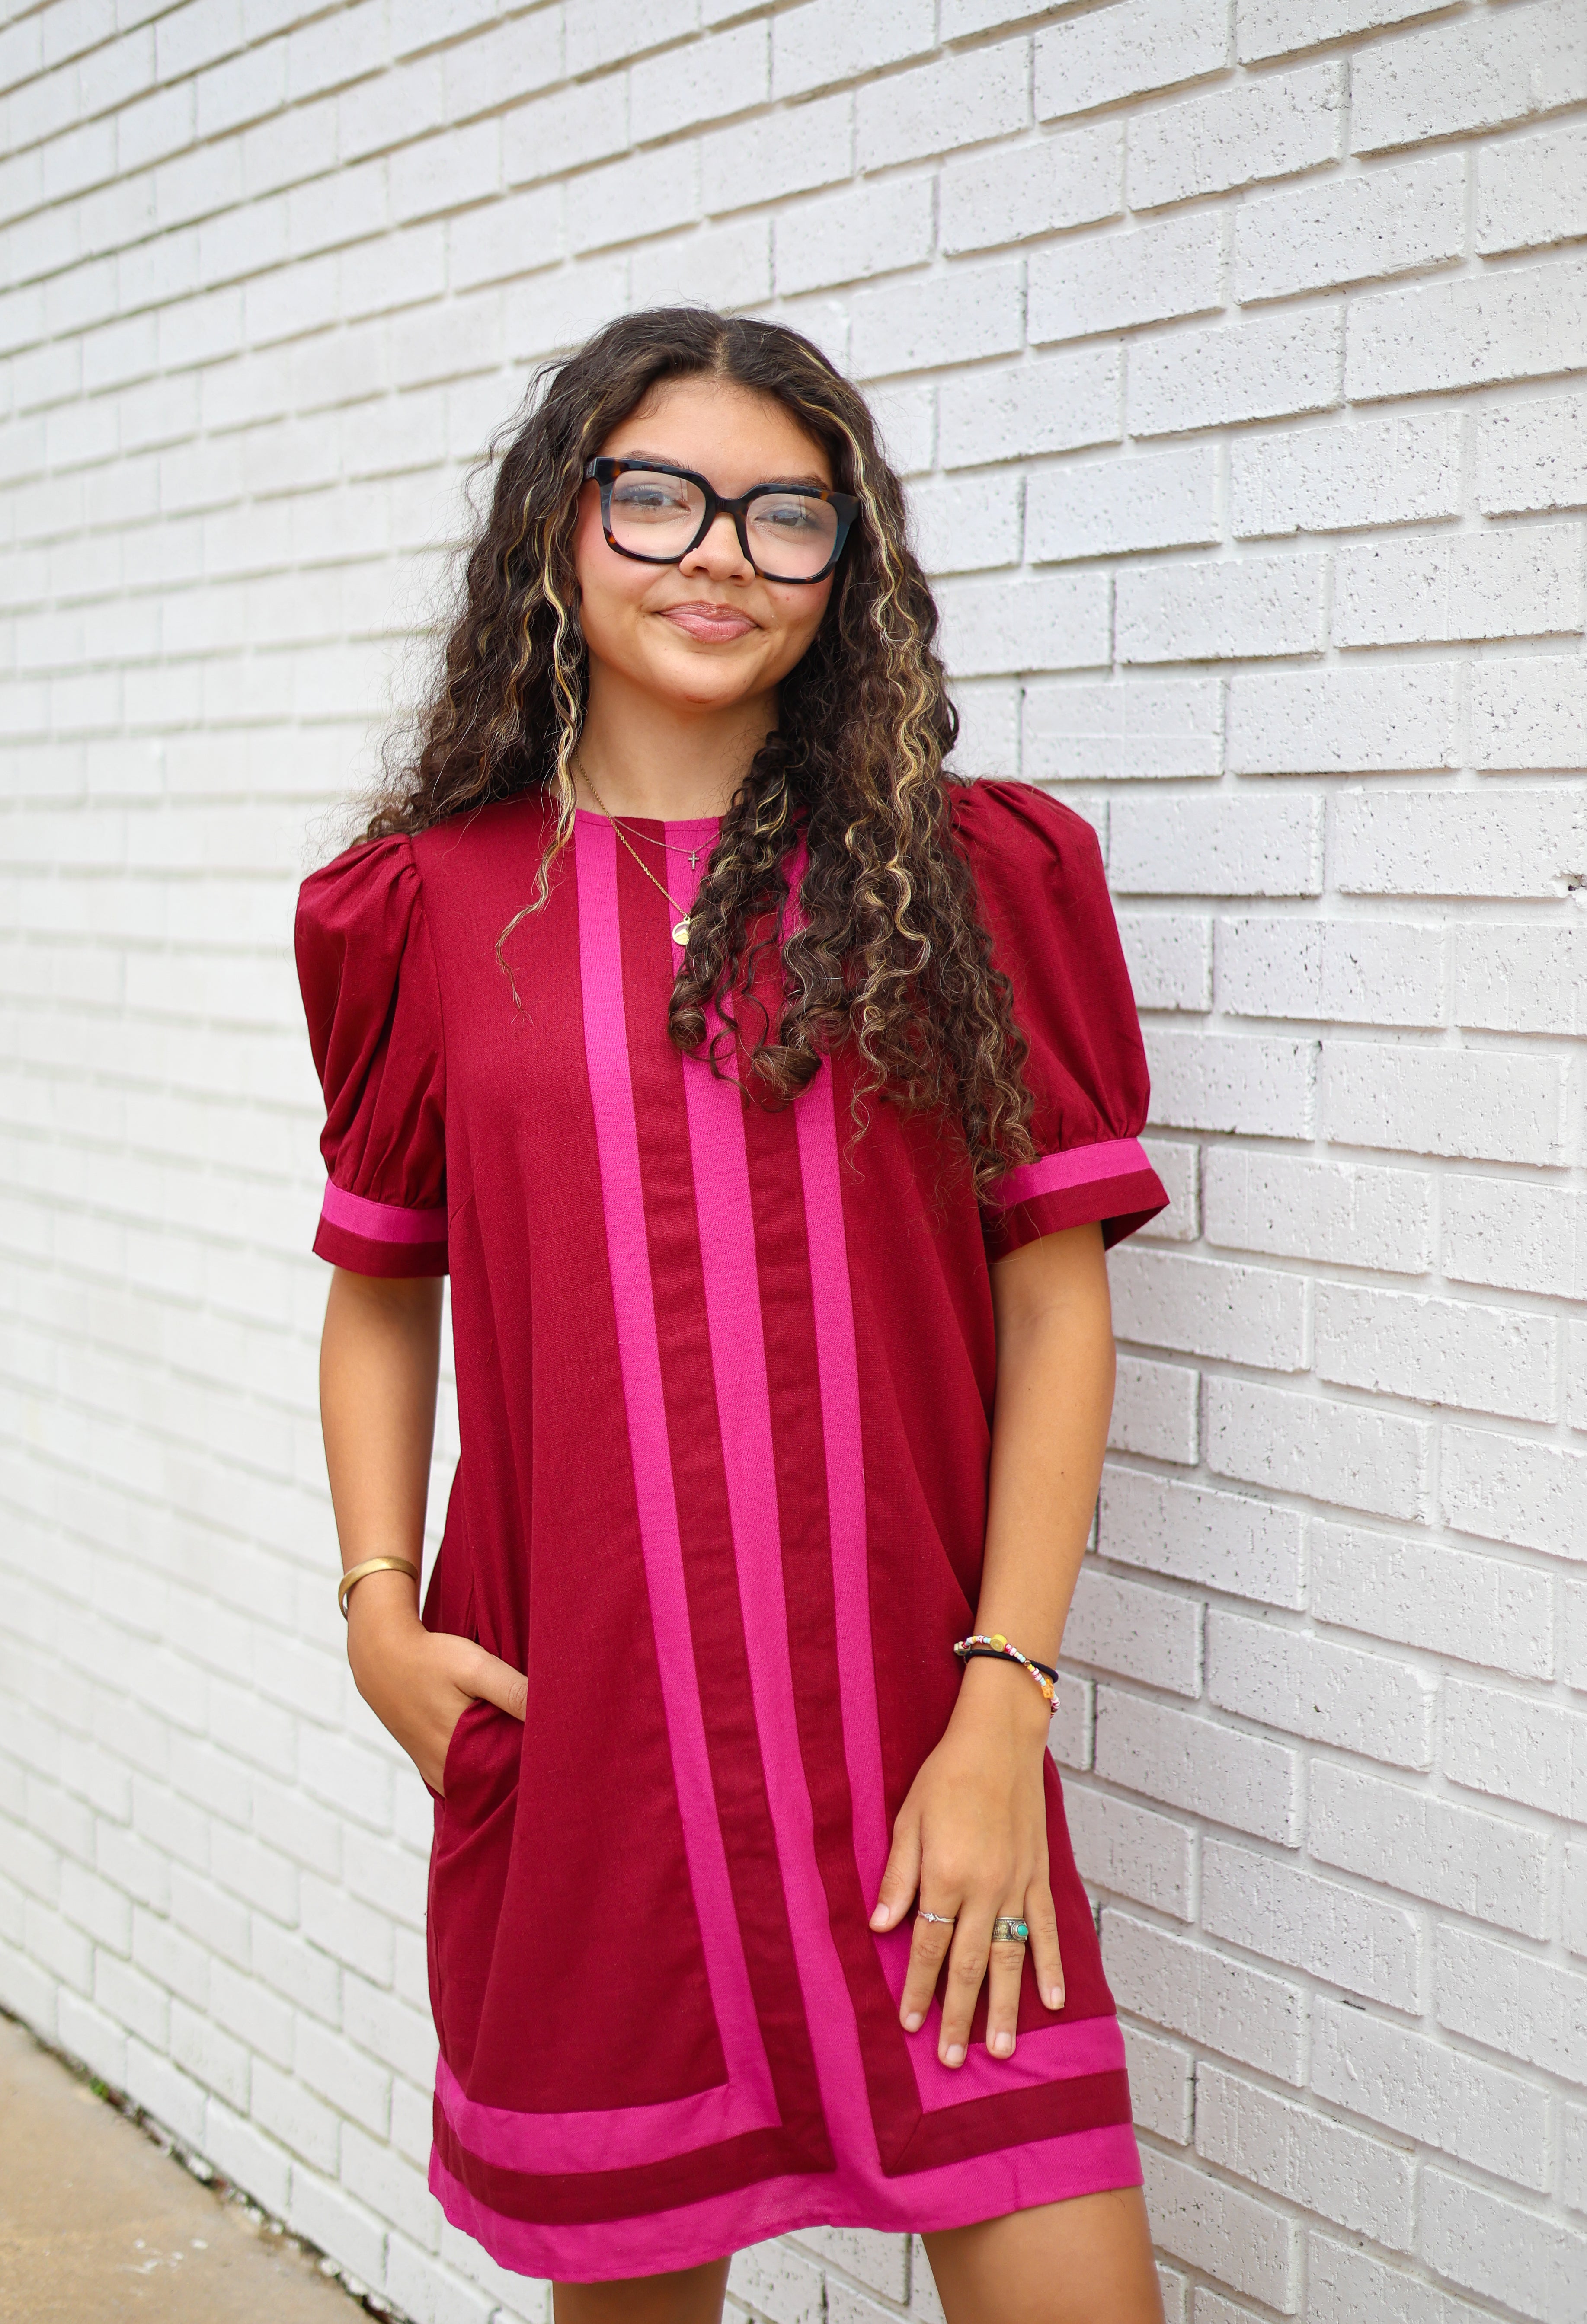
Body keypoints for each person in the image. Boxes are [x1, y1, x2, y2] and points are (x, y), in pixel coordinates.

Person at [296, 307, 1169, 2324]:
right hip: (592, 1754)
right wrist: (376, 1611)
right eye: (662, 496)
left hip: (920, 1747)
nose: (720, 556)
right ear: (560, 532)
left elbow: (1055, 1310)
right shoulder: (425, 910)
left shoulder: (969, 877)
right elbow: (375, 1285)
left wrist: (1001, 1710)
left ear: (847, 574)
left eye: (791, 520)